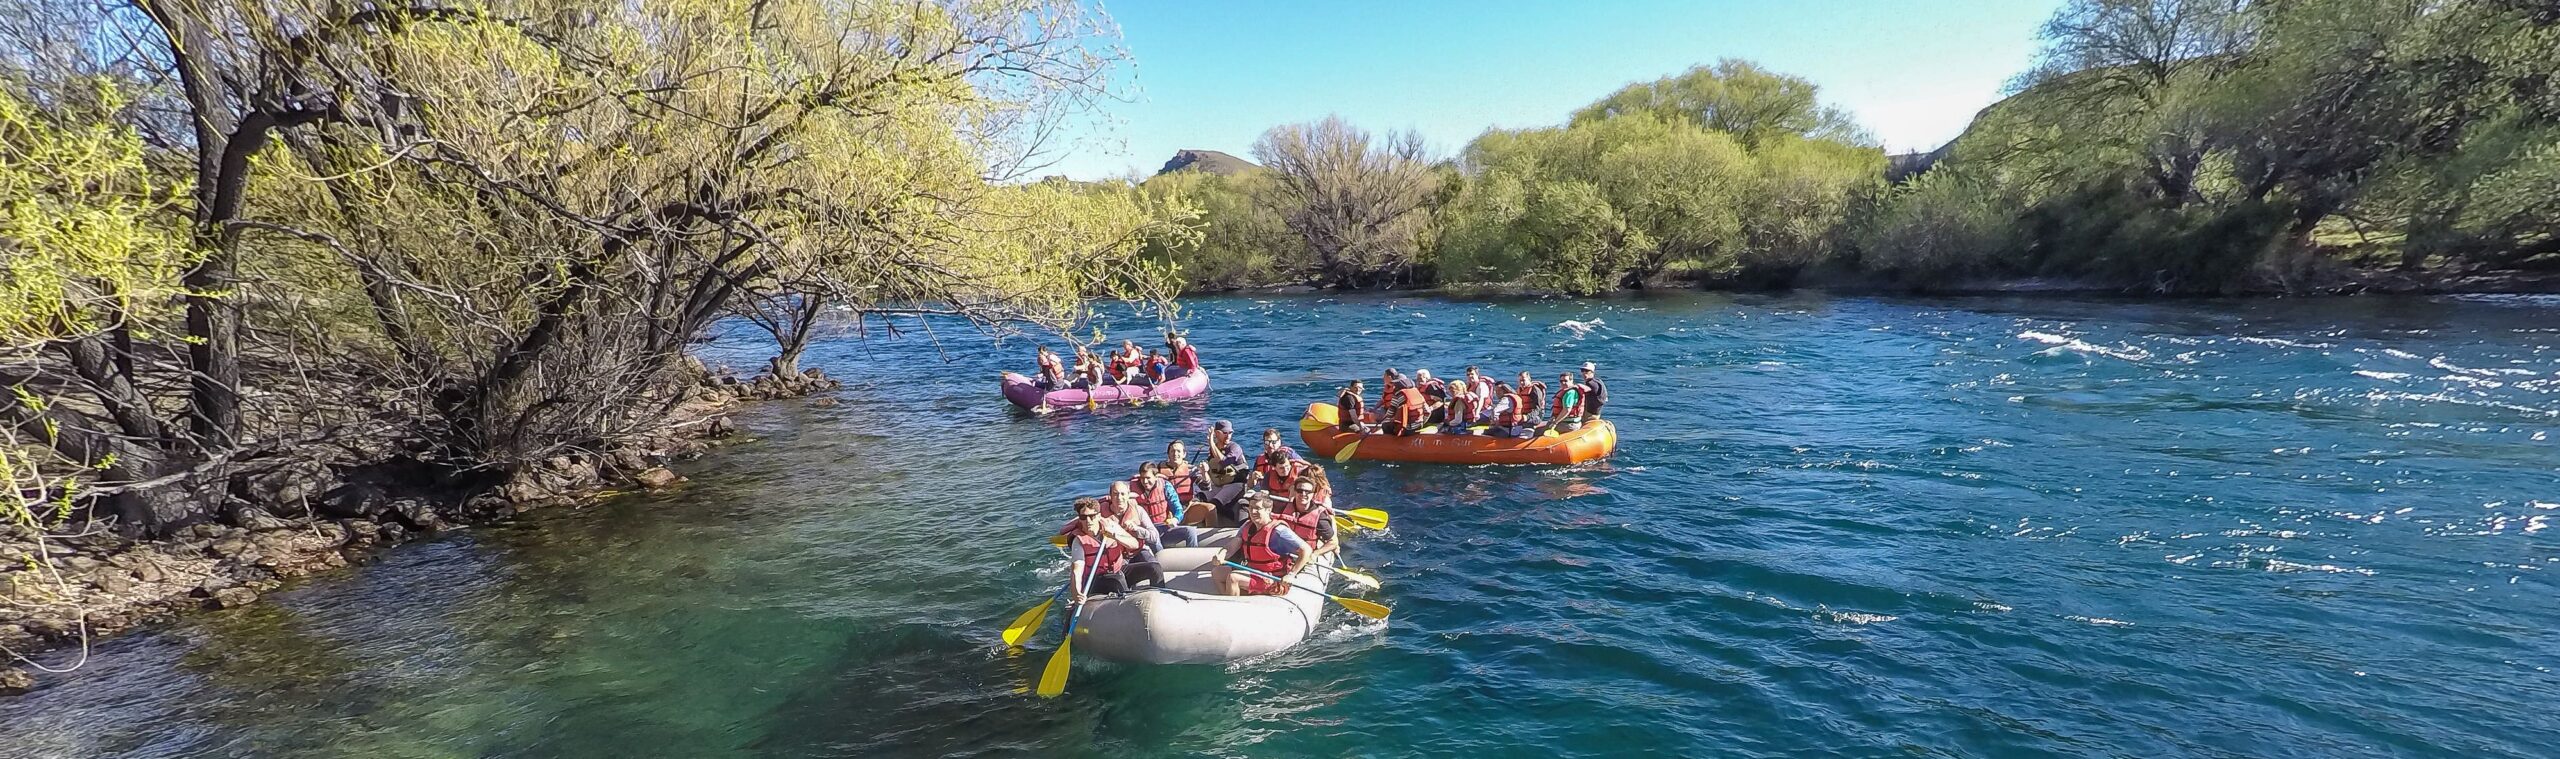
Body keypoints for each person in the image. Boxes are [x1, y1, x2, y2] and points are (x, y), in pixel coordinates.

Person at [1213, 493, 1311, 597]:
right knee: (1217, 573)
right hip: (1253, 571)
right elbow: (1233, 545)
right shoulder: (1247, 526)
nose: (1253, 512)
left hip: (1273, 579)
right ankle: (1236, 596)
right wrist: (1222, 554)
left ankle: (1233, 604)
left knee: (1234, 578)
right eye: (1251, 508)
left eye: (1257, 508)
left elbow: (1307, 550)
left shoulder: (1279, 532)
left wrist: (1291, 575)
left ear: (1268, 510)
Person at [1063, 497, 1159, 602]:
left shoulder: (1111, 525)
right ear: (1079, 518)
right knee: (1117, 580)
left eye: (1092, 516)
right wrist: (1076, 593)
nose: (1088, 521)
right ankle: (1129, 606)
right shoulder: (1078, 541)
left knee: (1154, 568)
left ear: (1099, 516)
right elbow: (1076, 570)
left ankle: (1159, 600)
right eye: (1083, 517)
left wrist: (1115, 536)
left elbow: (1134, 544)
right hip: (1095, 580)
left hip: (1118, 570)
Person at [1132, 462, 1200, 548]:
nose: (1145, 482)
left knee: (1191, 531)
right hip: (1145, 532)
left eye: (1148, 478)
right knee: (1154, 537)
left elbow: (1178, 509)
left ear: (1156, 477)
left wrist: (1175, 519)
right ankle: (1160, 559)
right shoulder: (1131, 488)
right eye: (1142, 478)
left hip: (1164, 528)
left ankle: (1193, 556)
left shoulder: (1165, 486)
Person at [1276, 478, 1339, 562]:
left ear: (1313, 494)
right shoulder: (1282, 508)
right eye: (1300, 491)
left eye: (1308, 492)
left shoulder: (1319, 517)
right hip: (1284, 553)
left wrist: (1315, 554)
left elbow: (1333, 542)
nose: (1303, 494)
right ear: (1294, 491)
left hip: (1306, 556)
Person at [1202, 420, 1251, 508]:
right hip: (1219, 485)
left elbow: (1224, 462)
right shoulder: (1213, 449)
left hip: (1235, 485)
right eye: (1225, 433)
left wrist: (1211, 442)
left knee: (1213, 505)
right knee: (1200, 498)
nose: (1228, 436)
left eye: (1230, 433)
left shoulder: (1235, 447)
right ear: (1217, 433)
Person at [1254, 428, 1309, 494]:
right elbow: (1250, 484)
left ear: (1279, 441)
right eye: (1267, 442)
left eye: (1273, 442)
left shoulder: (1288, 454)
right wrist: (1253, 478)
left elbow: (1307, 468)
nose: (1270, 445)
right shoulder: (1260, 459)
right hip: (1268, 494)